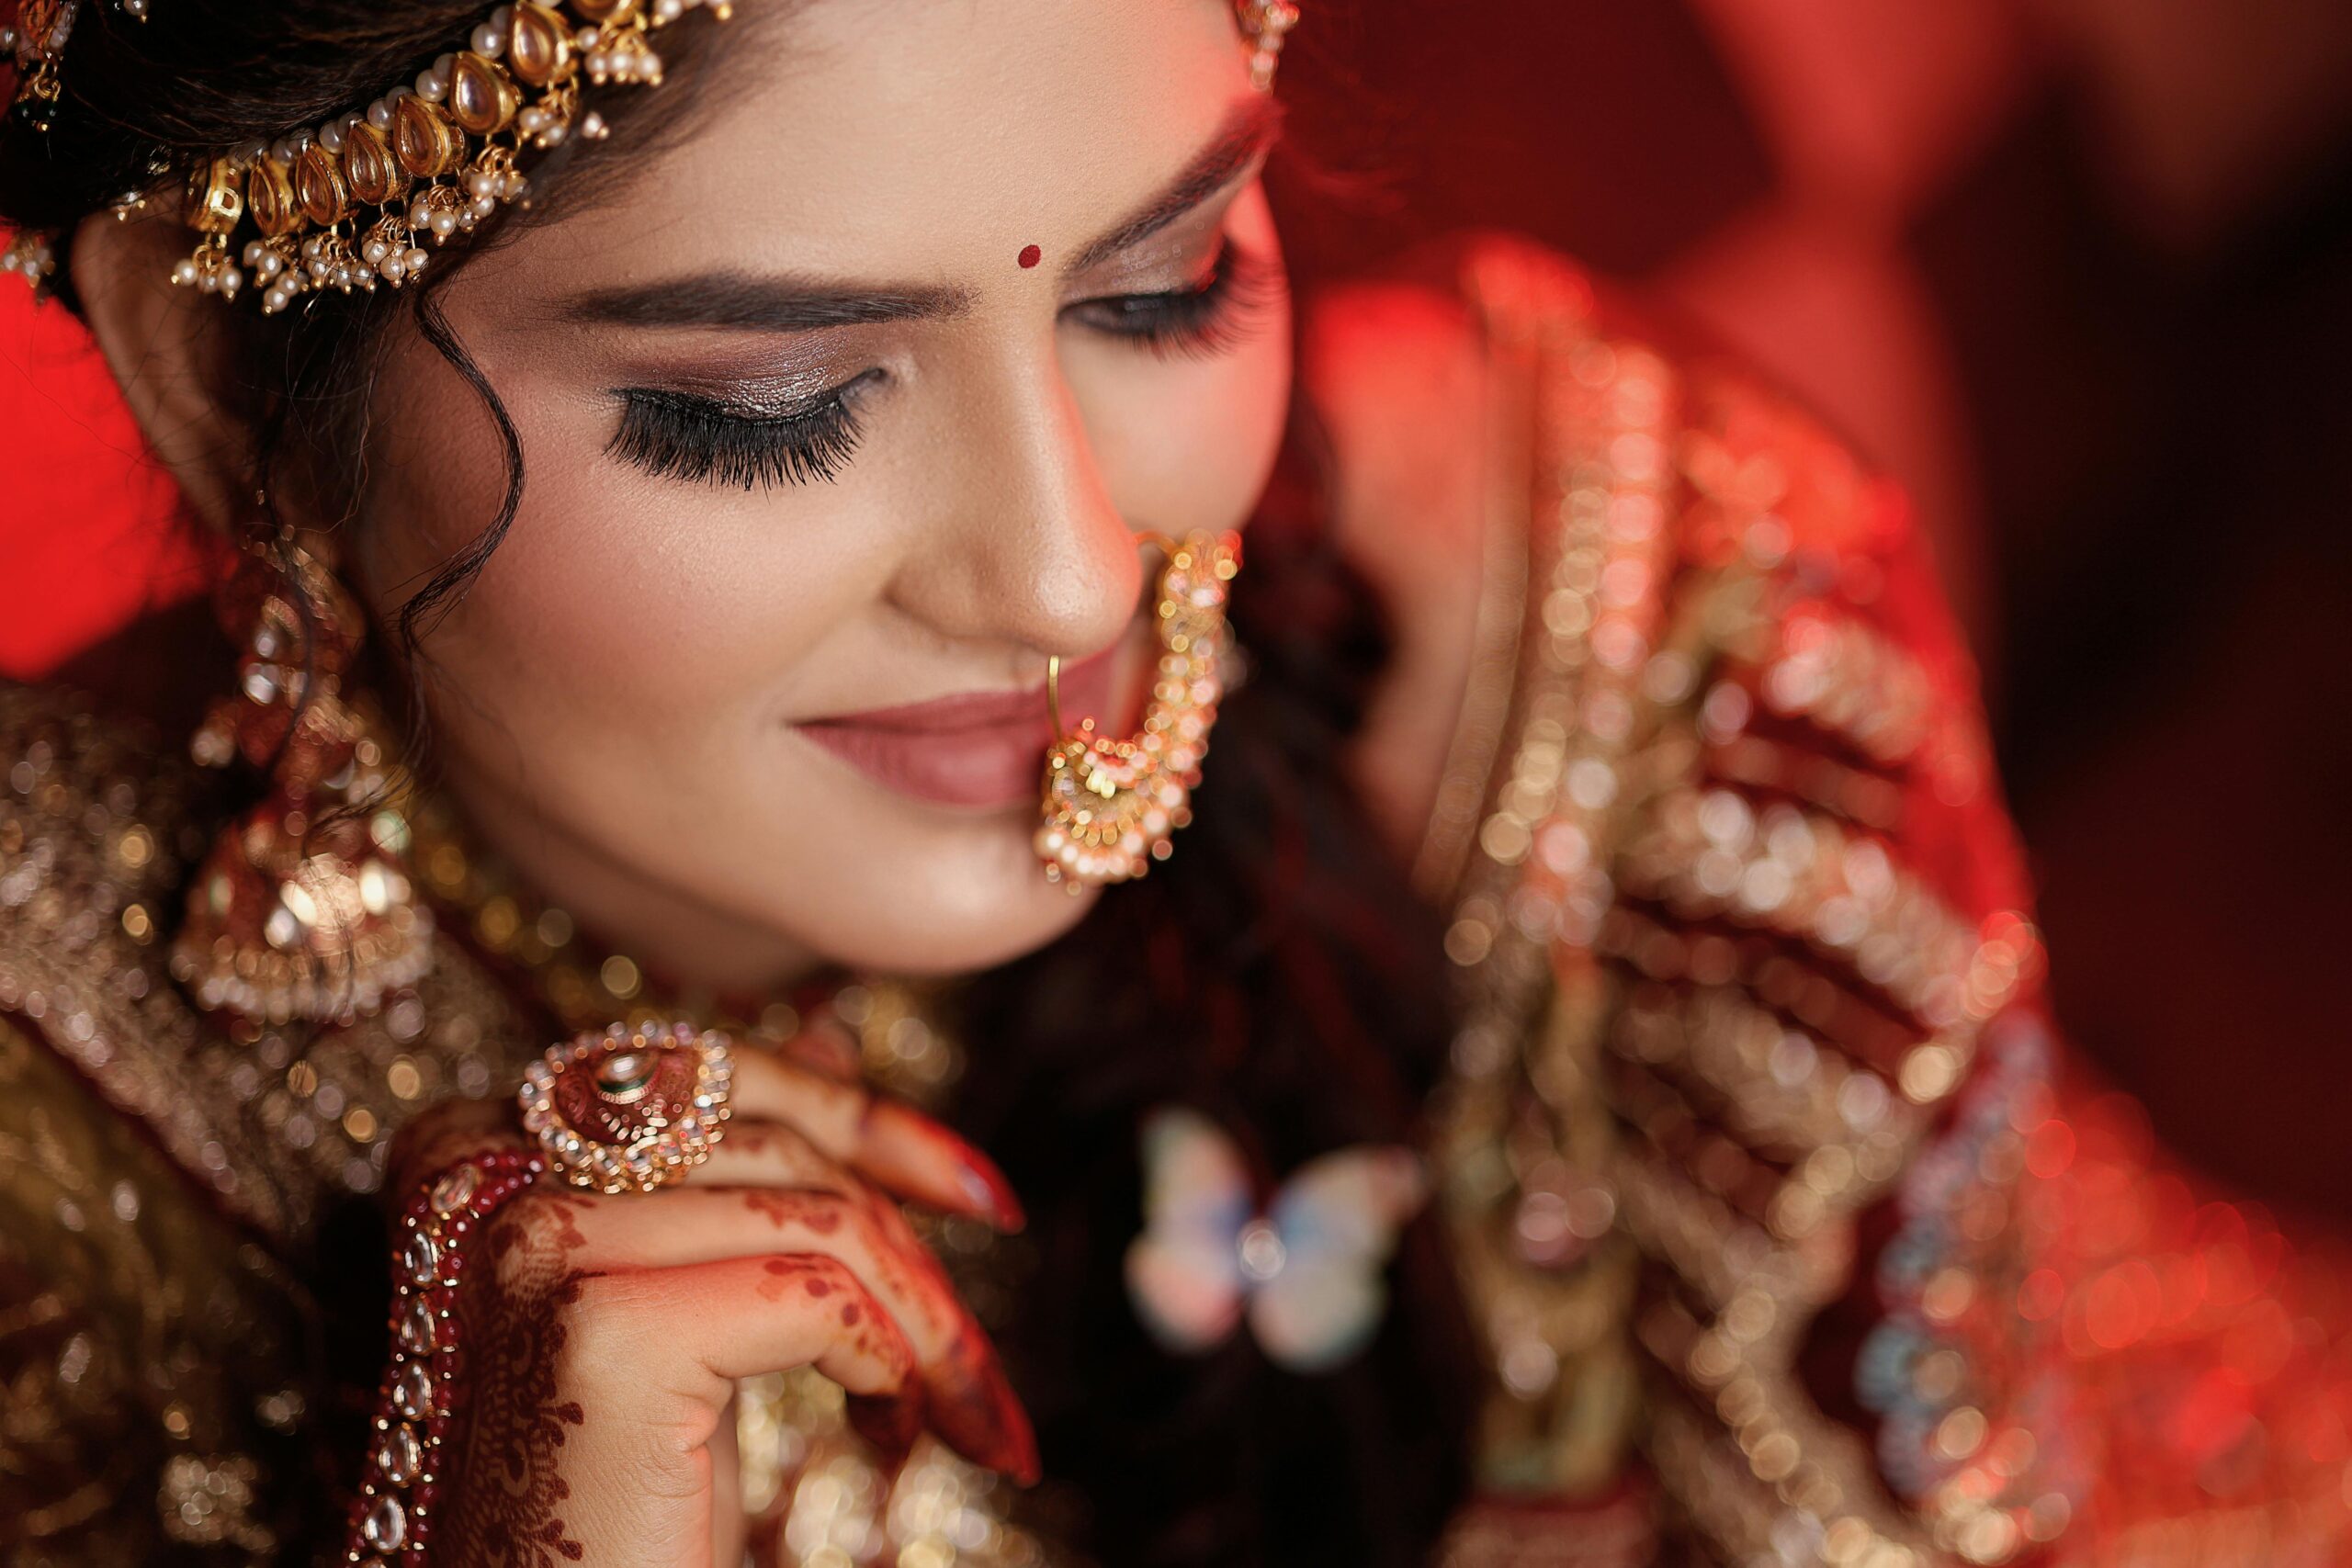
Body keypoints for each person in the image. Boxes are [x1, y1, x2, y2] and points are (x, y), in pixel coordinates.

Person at [2, 2, 2345, 1564]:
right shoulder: (49, 1125)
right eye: (763, 401)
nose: (1064, 574)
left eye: (1162, 287)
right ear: (208, 380)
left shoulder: (1612, 616)